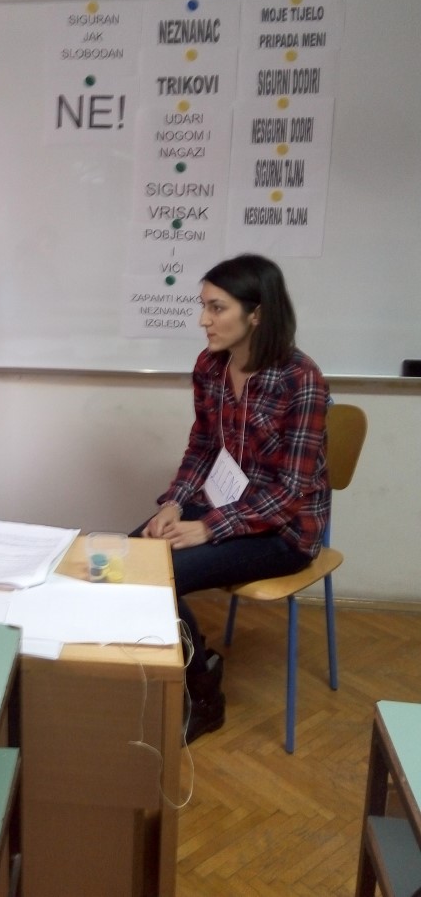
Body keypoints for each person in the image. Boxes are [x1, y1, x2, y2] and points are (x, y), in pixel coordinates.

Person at [132, 254, 329, 743]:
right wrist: (175, 503)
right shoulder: (210, 366)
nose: (204, 320)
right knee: (130, 559)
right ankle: (198, 657)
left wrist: (208, 527)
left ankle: (204, 697)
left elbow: (290, 491)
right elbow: (203, 446)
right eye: (203, 306)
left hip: (285, 531)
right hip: (225, 506)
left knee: (160, 576)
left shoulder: (301, 379)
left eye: (217, 308)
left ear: (256, 313)